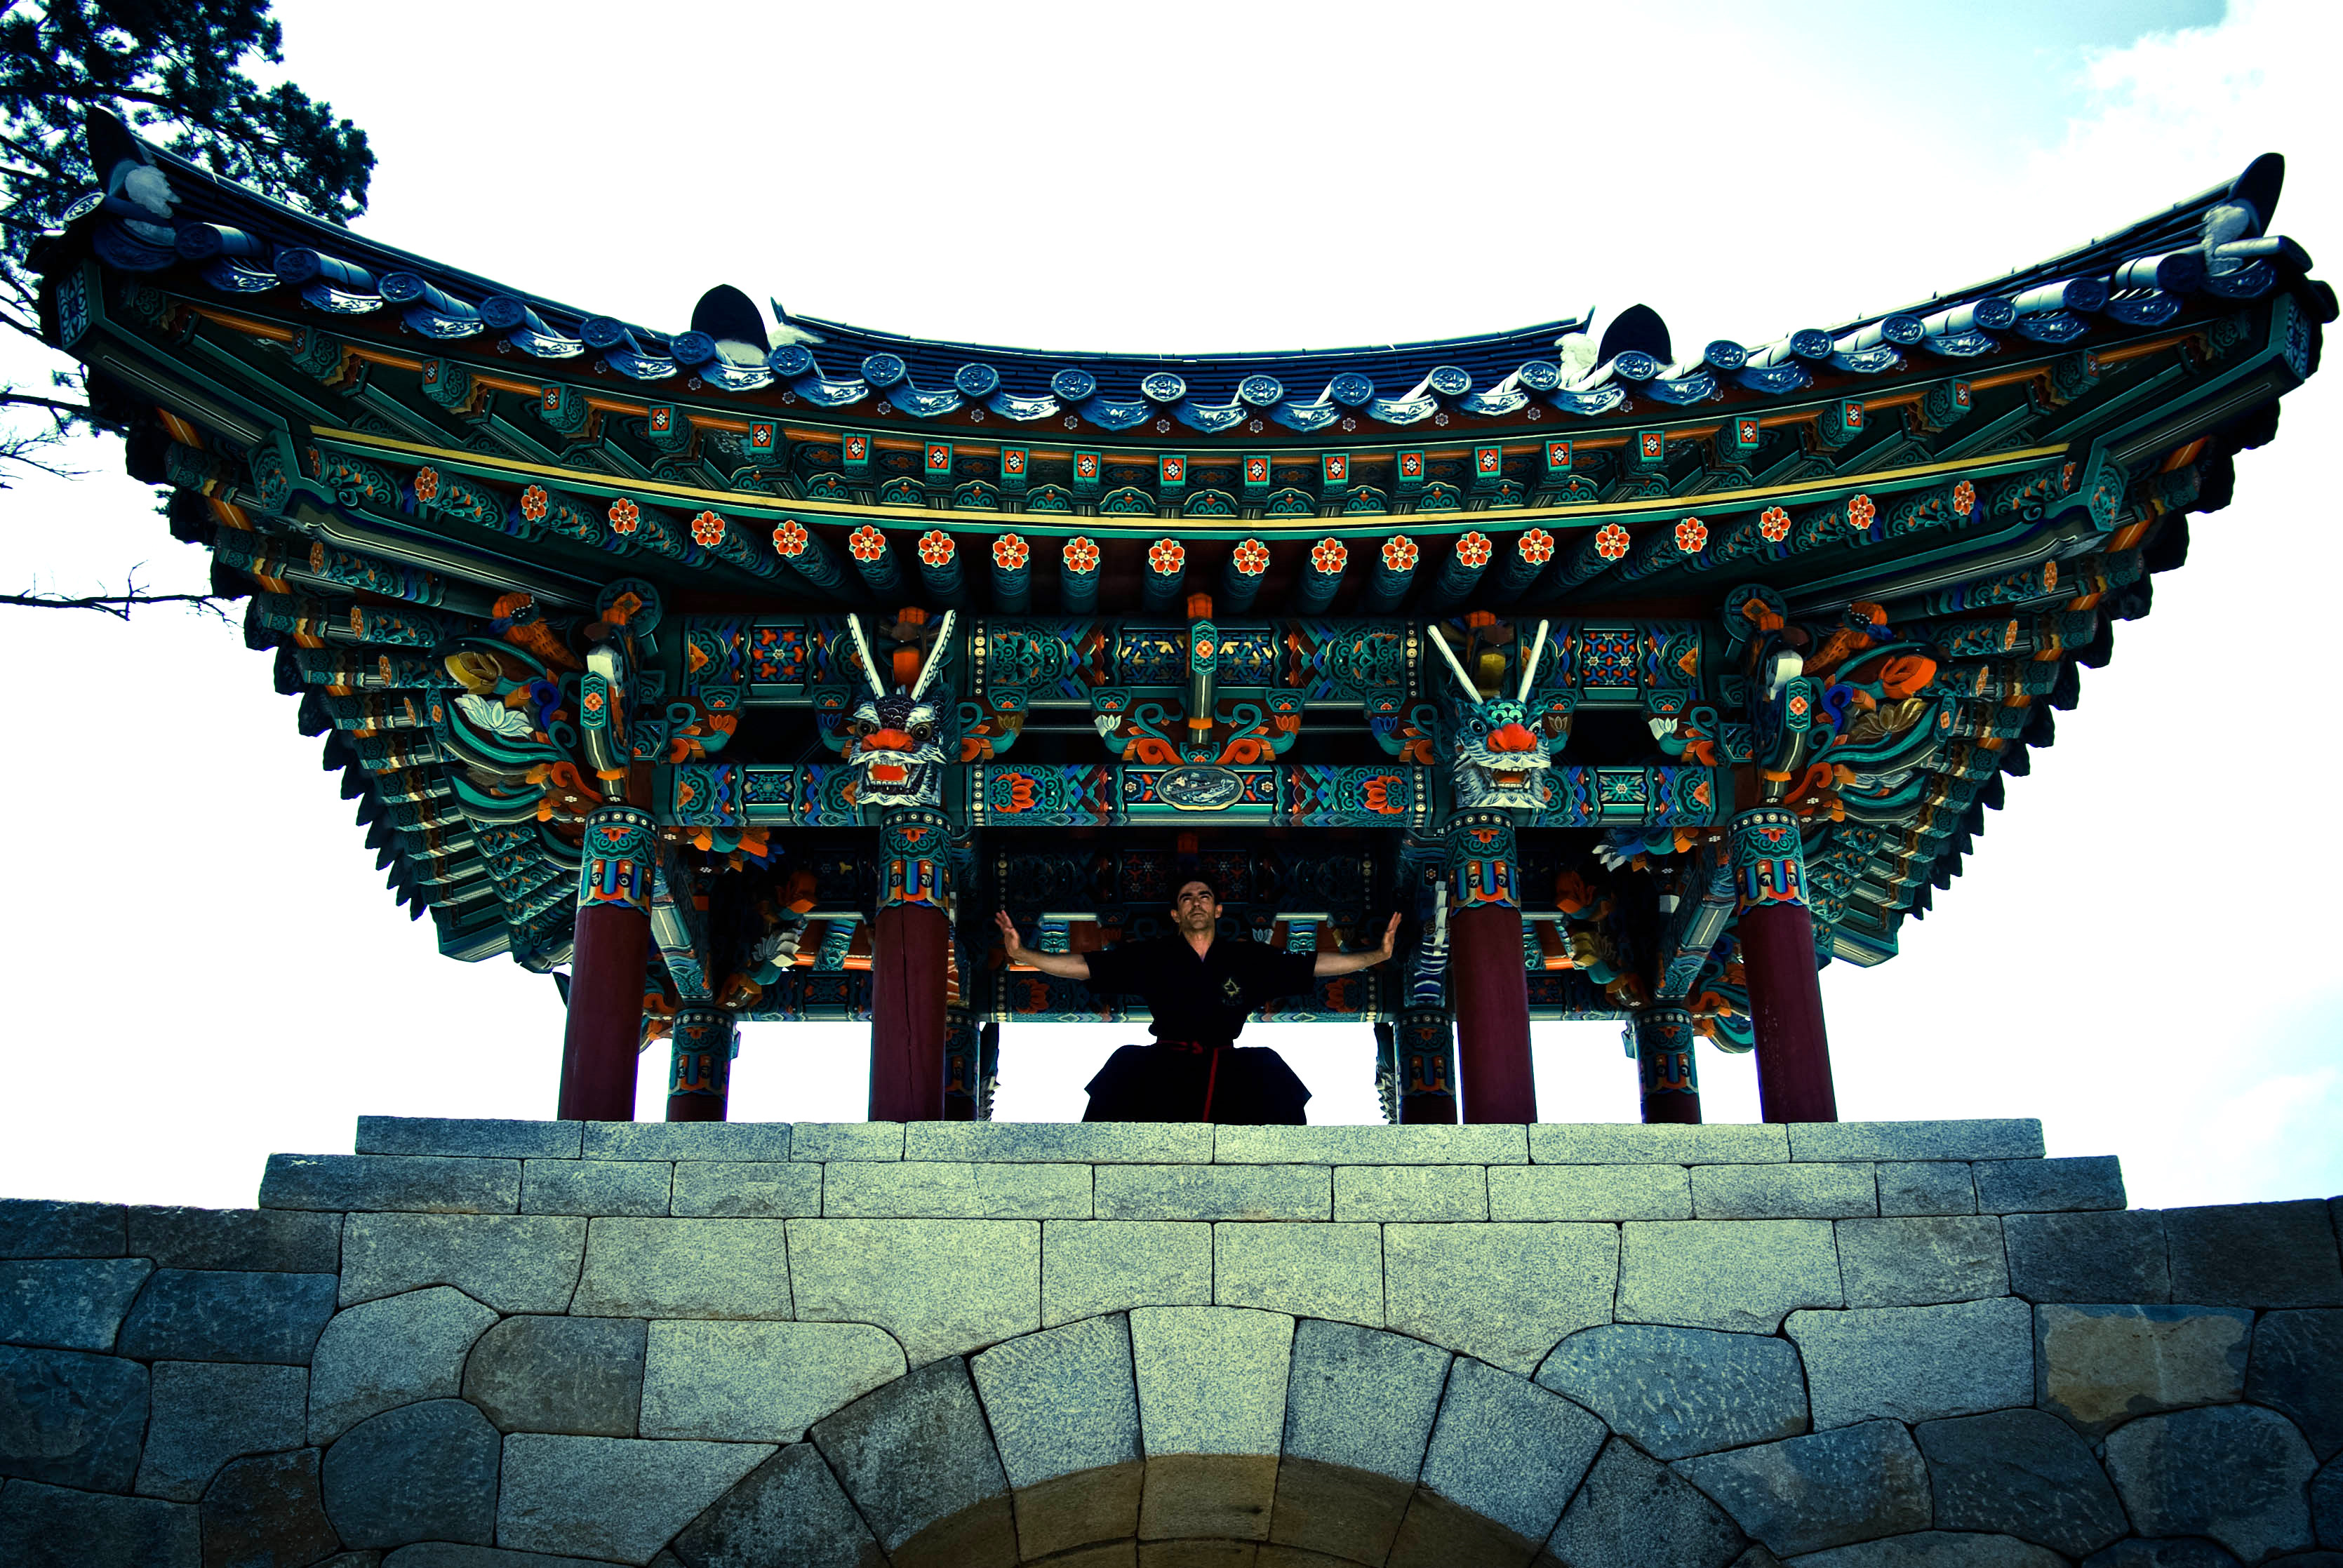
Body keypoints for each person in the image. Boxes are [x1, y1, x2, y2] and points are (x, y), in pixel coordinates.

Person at [994, 878, 1401, 1123]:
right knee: (1122, 1065)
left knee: (1271, 1070)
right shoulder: (1152, 957)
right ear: (1176, 913)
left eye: (1204, 896)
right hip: (1164, 1063)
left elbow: (1313, 965)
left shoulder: (1247, 958)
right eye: (1187, 898)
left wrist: (1376, 956)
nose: (1197, 902)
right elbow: (1084, 966)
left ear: (1218, 909)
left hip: (1227, 1064)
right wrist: (1025, 955)